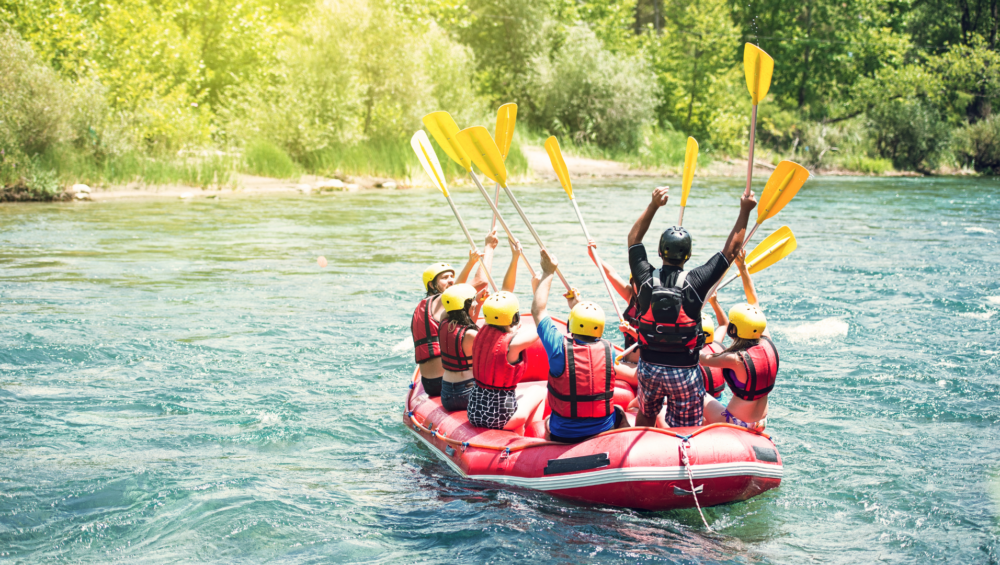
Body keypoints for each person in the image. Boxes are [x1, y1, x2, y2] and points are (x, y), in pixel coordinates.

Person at [627, 185, 757, 428]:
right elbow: (730, 251)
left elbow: (634, 240)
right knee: (686, 427)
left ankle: (644, 433)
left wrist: (653, 205)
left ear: (659, 251)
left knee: (646, 413)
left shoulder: (644, 278)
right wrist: (745, 211)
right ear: (688, 256)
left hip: (649, 367)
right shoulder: (697, 281)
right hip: (684, 370)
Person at [531, 250, 630, 443]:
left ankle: (552, 450)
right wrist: (578, 306)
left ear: (572, 323)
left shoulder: (558, 347)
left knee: (548, 421)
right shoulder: (609, 350)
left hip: (564, 433)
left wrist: (548, 272)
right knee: (618, 411)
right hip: (604, 428)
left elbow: (538, 310)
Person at [466, 244, 547, 432]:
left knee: (516, 401)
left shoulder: (479, 332)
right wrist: (537, 290)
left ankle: (518, 432)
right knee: (538, 391)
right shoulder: (514, 343)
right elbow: (542, 323)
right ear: (515, 317)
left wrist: (515, 257)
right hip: (499, 418)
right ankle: (533, 436)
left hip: (474, 412)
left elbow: (504, 293)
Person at [412, 232, 498, 396]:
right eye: (445, 278)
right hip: (445, 381)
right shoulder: (440, 301)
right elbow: (481, 281)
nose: (451, 280)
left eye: (452, 276)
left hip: (429, 383)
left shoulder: (426, 308)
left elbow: (463, 328)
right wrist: (489, 247)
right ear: (432, 285)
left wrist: (478, 302)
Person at [700, 249, 778, 431]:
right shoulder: (767, 341)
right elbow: (754, 303)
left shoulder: (735, 359)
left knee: (698, 393)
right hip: (761, 422)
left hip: (737, 422)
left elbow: (700, 358)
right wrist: (743, 268)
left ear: (733, 330)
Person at [586, 239, 641, 365]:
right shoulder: (631, 295)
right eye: (637, 283)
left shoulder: (655, 304)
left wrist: (629, 330)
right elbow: (611, 273)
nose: (640, 287)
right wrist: (593, 255)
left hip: (643, 366)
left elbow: (652, 339)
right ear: (632, 283)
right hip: (627, 361)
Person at [438, 283, 484, 411]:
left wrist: (476, 300)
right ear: (465, 305)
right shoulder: (471, 335)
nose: (475, 304)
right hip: (468, 393)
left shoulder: (443, 322)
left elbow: (457, 313)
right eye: (472, 301)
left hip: (446, 395)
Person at [700, 293, 729, 400]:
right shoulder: (716, 344)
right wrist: (714, 302)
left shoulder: (686, 352)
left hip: (700, 401)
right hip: (720, 399)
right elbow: (724, 324)